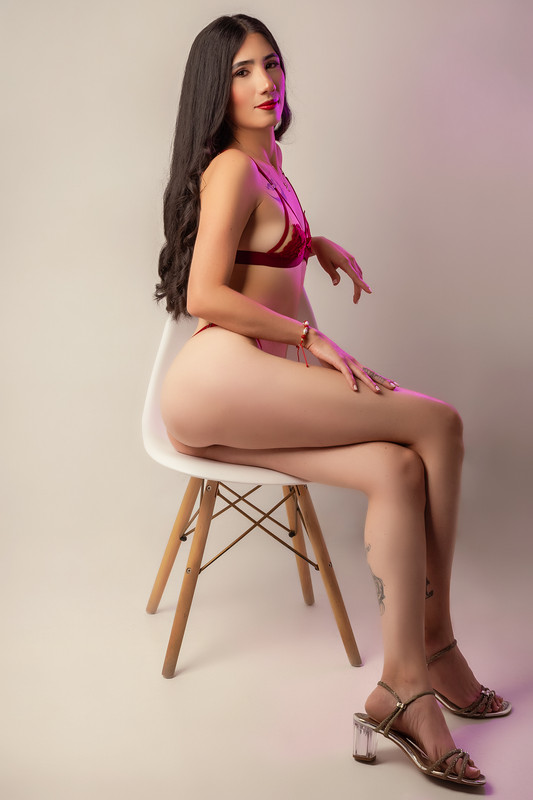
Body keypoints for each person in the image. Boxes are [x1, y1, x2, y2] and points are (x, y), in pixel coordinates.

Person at [155, 13, 510, 787]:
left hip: (246, 388)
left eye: (271, 64)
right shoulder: (230, 168)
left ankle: (402, 686)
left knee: (397, 469)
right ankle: (438, 646)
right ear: (215, 89)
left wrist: (310, 243)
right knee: (438, 423)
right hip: (215, 380)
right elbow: (204, 291)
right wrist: (308, 337)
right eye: (243, 72)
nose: (265, 82)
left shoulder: (269, 159)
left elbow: (255, 246)